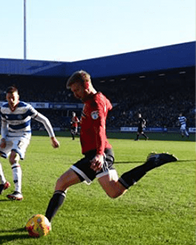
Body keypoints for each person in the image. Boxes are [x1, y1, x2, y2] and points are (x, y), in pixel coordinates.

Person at [44, 70, 177, 228]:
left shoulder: (95, 103)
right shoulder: (97, 100)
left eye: (77, 90)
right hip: (98, 153)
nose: (75, 95)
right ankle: (152, 162)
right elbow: (109, 105)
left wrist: (99, 155)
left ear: (86, 85)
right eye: (73, 91)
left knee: (66, 183)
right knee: (111, 190)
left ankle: (45, 223)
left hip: (97, 154)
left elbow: (100, 128)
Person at [0, 86, 60, 201]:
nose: (11, 101)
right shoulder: (4, 109)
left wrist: (52, 137)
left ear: (18, 97)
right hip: (10, 135)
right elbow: (4, 125)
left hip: (23, 135)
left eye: (13, 98)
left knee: (13, 158)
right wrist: (3, 138)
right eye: (8, 98)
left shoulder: (26, 108)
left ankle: (18, 192)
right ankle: (3, 183)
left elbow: (44, 120)